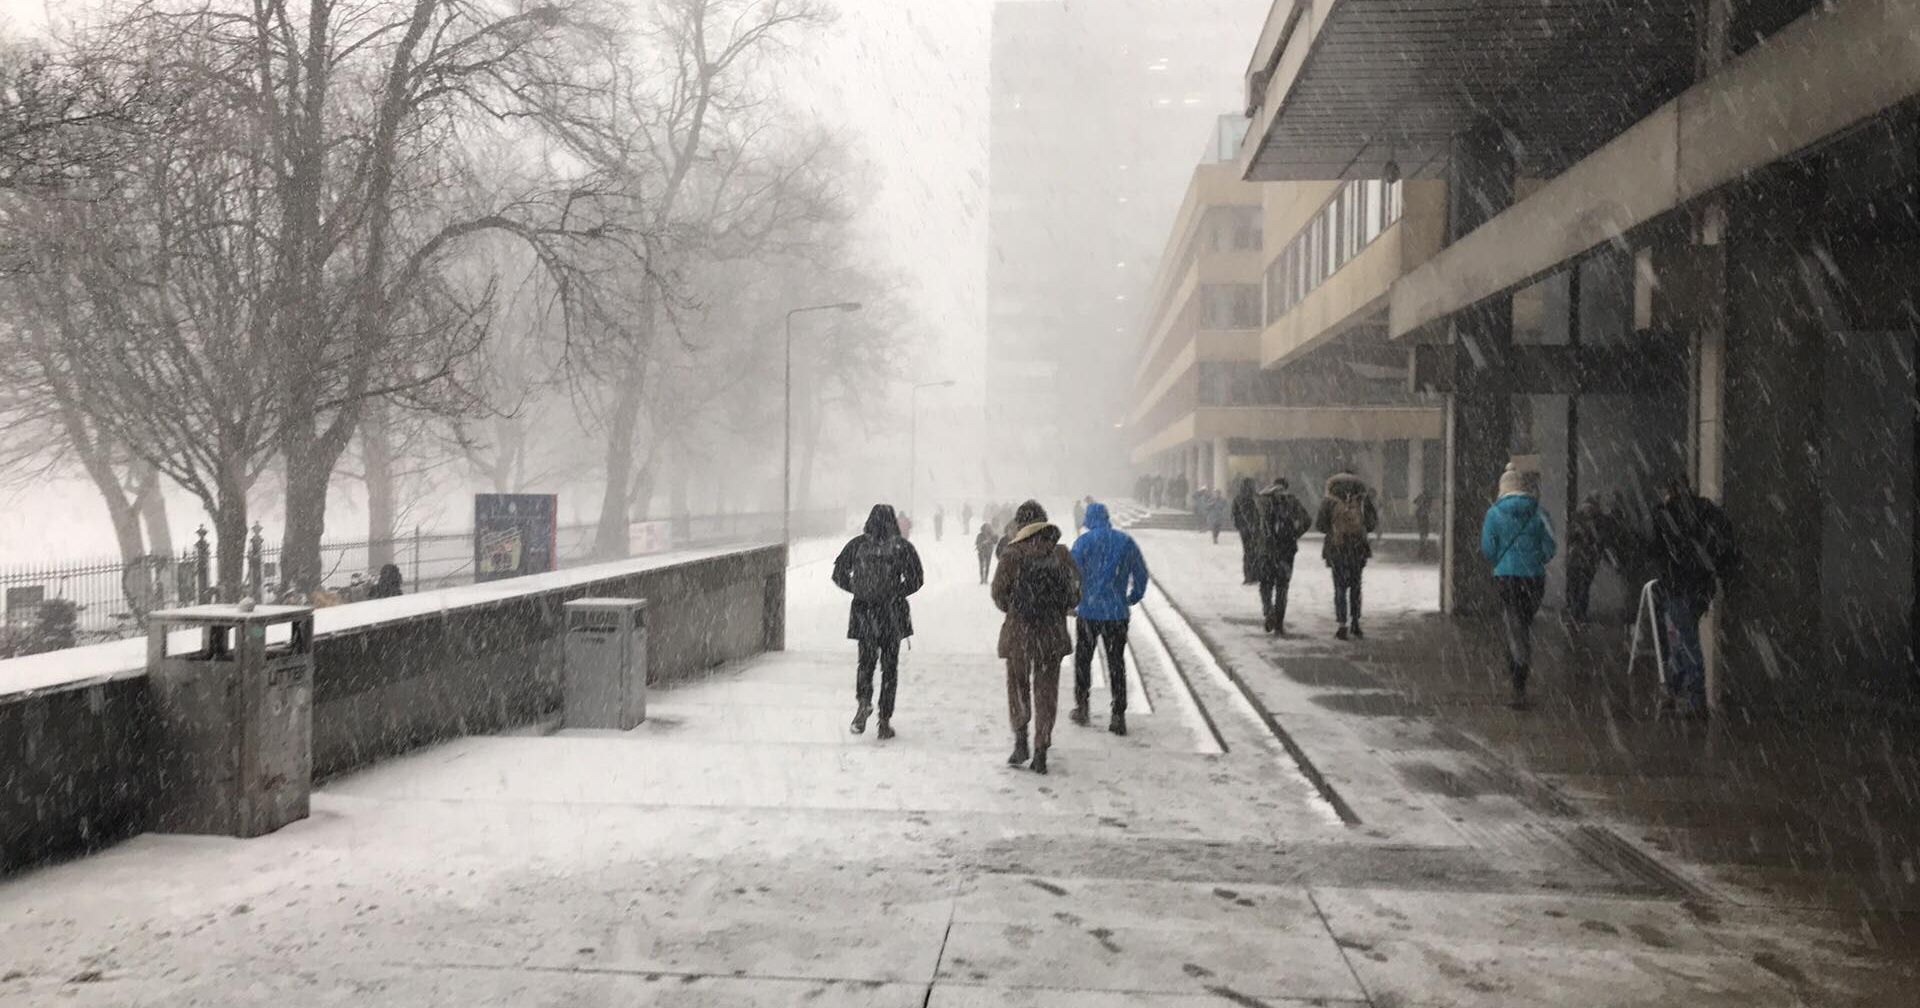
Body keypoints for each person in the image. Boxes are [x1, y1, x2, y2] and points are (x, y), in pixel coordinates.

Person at [991, 500, 1081, 774]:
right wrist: (1055, 609)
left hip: (1019, 632)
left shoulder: (1012, 554)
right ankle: (1041, 747)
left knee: (1018, 686)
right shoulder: (1061, 554)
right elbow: (1075, 593)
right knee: (1046, 691)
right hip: (1051, 634)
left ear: (1020, 525)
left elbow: (998, 594)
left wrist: (1016, 610)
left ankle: (1021, 741)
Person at [830, 505, 926, 740]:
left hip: (864, 613)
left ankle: (864, 702)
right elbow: (917, 578)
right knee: (889, 668)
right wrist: (896, 592)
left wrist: (858, 589)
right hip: (891, 614)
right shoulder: (902, 547)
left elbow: (838, 574)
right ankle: (884, 720)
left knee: (865, 662)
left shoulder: (857, 545)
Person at [1649, 477, 1737, 719]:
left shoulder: (1666, 515)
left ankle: (1694, 697)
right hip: (1702, 587)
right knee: (1682, 635)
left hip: (1678, 586)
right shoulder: (1707, 510)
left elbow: (1656, 551)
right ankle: (1674, 687)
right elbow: (1724, 545)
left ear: (1670, 491)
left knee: (1685, 639)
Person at [1069, 501, 1149, 734]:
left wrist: (1074, 599)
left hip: (1089, 612)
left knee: (1084, 661)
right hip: (1116, 613)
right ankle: (1118, 715)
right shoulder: (1125, 542)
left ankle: (1082, 707)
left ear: (1089, 520)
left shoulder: (1083, 542)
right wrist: (1132, 597)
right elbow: (1141, 573)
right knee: (1116, 663)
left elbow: (1070, 573)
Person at [1481, 466, 1557, 709]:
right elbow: (1551, 545)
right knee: (1522, 623)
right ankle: (1518, 667)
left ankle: (1518, 678)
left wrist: (1503, 562)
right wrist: (1535, 559)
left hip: (1507, 577)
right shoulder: (1539, 511)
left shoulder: (1494, 513)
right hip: (1534, 579)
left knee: (1514, 625)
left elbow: (1488, 549)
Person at [1317, 467, 1380, 640]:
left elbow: (1320, 526)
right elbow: (1372, 523)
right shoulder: (1362, 499)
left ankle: (1341, 624)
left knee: (1339, 587)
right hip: (1358, 548)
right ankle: (1355, 623)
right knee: (1356, 586)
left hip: (1337, 549)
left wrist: (1335, 529)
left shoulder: (1329, 500)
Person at [1252, 477, 1312, 636]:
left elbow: (1253, 523)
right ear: (1286, 487)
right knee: (1282, 587)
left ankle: (1268, 610)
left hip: (1267, 550)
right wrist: (1294, 535)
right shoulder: (1292, 501)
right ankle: (1279, 624)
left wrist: (1261, 539)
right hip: (1286, 551)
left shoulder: (1263, 500)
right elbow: (1307, 520)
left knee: (1265, 584)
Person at [1229, 478, 1261, 586]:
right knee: (1255, 551)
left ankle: (1248, 576)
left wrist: (1239, 526)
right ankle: (1254, 575)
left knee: (1248, 552)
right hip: (1255, 528)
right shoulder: (1255, 497)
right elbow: (1259, 513)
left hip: (1244, 530)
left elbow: (1233, 514)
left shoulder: (1238, 498)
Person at [1413, 488, 1438, 561]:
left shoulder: (1423, 502)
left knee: (1423, 535)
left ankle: (1422, 551)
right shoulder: (1426, 502)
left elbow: (1415, 502)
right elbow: (1416, 502)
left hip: (1422, 519)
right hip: (1423, 520)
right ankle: (1423, 551)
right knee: (1424, 535)